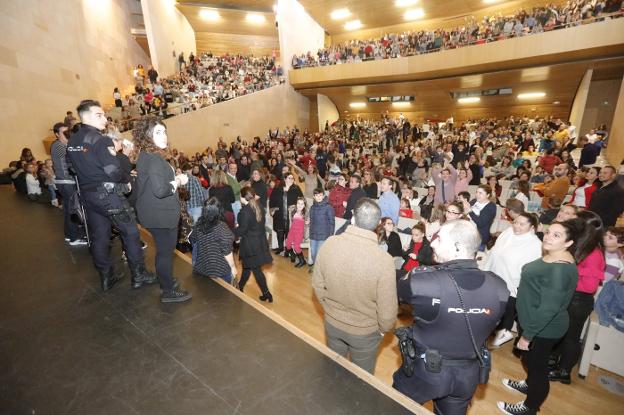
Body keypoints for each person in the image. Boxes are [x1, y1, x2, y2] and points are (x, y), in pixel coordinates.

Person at [393, 220, 509, 414]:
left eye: (439, 239)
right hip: (467, 377)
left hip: (424, 373)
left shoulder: (424, 282)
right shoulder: (499, 287)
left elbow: (402, 291)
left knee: (394, 408)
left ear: (457, 247)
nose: (432, 243)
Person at [67, 100, 156, 292]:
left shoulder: (72, 141)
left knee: (100, 236)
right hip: (108, 195)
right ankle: (139, 275)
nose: (105, 119)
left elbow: (71, 168)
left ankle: (106, 277)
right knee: (131, 232)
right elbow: (113, 170)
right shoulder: (101, 140)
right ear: (89, 116)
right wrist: (126, 180)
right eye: (100, 115)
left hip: (88, 196)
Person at [498, 220, 581, 415]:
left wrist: (528, 335)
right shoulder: (553, 256)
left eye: (557, 235)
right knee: (531, 361)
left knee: (538, 370)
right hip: (535, 324)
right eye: (549, 232)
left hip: (544, 328)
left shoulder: (560, 268)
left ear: (569, 243)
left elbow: (549, 308)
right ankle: (528, 384)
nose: (549, 237)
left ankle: (530, 407)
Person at [312, 198, 397, 374]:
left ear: (352, 218)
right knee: (361, 383)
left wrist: (330, 309)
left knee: (333, 373)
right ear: (377, 225)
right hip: (365, 333)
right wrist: (382, 330)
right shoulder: (384, 261)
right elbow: (388, 312)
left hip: (332, 323)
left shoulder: (329, 244)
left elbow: (317, 285)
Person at [133, 117, 192, 303]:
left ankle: (165, 280)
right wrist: (179, 181)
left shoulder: (144, 154)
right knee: (165, 253)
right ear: (146, 135)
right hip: (161, 215)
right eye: (158, 132)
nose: (164, 136)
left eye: (164, 131)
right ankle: (168, 291)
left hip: (152, 213)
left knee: (163, 252)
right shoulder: (154, 159)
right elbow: (160, 190)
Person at [549, 211, 605, 384]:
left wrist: (567, 277)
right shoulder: (581, 245)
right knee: (562, 334)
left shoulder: (594, 253)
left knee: (571, 337)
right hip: (571, 297)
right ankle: (556, 365)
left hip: (579, 300)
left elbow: (589, 286)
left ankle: (564, 372)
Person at [484, 212, 542, 348]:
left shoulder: (535, 244)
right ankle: (488, 334)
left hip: (513, 284)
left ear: (532, 227)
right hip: (494, 278)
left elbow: (533, 270)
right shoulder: (508, 232)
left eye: (522, 224)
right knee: (491, 309)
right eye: (515, 222)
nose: (517, 226)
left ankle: (502, 336)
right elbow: (494, 252)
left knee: (507, 312)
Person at [50, 122, 87, 245]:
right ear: (56, 134)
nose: (67, 135)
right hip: (66, 182)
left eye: (68, 132)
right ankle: (74, 237)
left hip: (65, 182)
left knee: (68, 209)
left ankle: (70, 234)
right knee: (73, 210)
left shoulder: (62, 145)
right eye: (63, 133)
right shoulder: (59, 145)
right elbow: (72, 158)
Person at [235, 187, 273, 302]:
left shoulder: (244, 212)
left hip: (250, 245)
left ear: (242, 198)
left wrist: (231, 230)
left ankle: (267, 294)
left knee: (255, 269)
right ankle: (240, 286)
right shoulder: (259, 206)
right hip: (260, 242)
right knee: (248, 267)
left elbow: (242, 230)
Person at [190, 197, 237, 284]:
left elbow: (192, 239)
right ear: (219, 210)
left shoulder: (199, 224)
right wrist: (233, 267)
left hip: (202, 267)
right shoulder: (222, 227)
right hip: (220, 271)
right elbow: (227, 252)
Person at [269, 171, 303, 255]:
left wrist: (296, 207)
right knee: (280, 233)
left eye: (292, 178)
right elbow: (271, 200)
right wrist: (272, 210)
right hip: (279, 213)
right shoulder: (277, 188)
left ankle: (288, 250)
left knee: (290, 233)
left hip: (291, 215)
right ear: (284, 179)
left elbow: (302, 200)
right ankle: (280, 248)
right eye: (289, 178)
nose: (291, 180)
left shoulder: (296, 188)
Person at [462, 184, 497, 250]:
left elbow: (481, 223)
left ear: (488, 195)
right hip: (467, 233)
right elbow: (465, 213)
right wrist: (463, 209)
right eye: (476, 192)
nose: (477, 195)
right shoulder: (474, 201)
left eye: (480, 193)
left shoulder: (491, 207)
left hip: (479, 237)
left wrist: (470, 211)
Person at [308, 188, 335, 273]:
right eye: (316, 195)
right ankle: (317, 266)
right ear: (314, 196)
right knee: (313, 253)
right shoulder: (312, 207)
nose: (318, 197)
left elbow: (332, 222)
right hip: (313, 234)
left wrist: (330, 236)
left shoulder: (328, 207)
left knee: (319, 254)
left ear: (323, 196)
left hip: (323, 235)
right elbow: (311, 220)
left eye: (320, 195)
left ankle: (317, 269)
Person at [285, 197, 309, 268]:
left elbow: (309, 222)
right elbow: (291, 221)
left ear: (304, 205)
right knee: (287, 244)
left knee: (296, 246)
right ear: (296, 204)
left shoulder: (306, 213)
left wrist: (308, 223)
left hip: (299, 232)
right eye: (298, 203)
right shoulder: (294, 211)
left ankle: (302, 261)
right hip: (292, 230)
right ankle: (293, 255)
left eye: (302, 204)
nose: (300, 205)